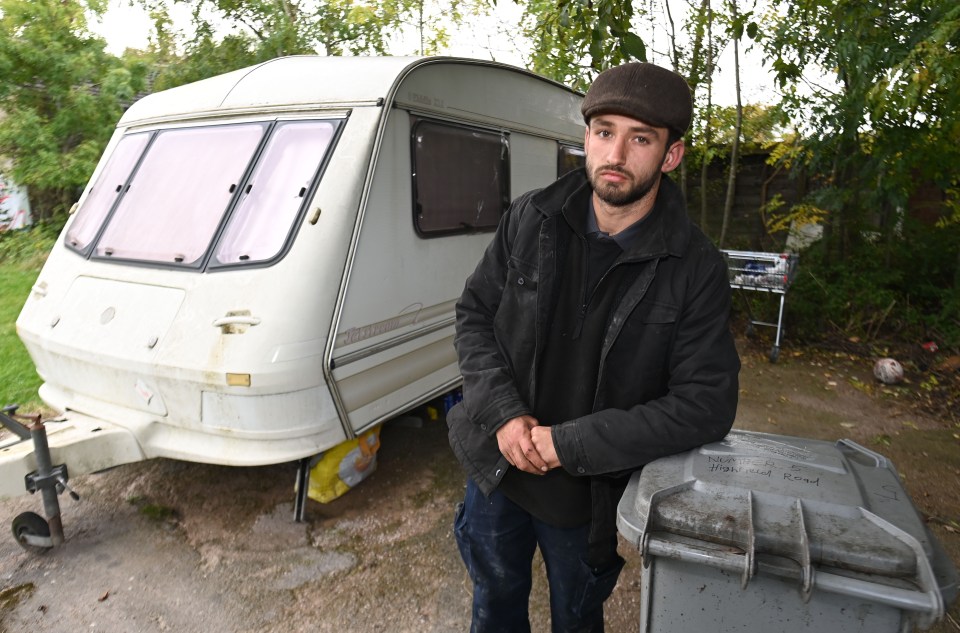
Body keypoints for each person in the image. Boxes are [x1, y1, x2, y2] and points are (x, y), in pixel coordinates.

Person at [446, 62, 741, 632]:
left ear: (670, 156)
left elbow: (705, 403)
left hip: (587, 497)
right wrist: (505, 417)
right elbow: (474, 315)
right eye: (604, 131)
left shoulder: (695, 266)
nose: (616, 153)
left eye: (640, 139)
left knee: (577, 618)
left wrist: (569, 444)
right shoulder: (531, 217)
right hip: (497, 466)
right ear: (586, 138)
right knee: (494, 603)